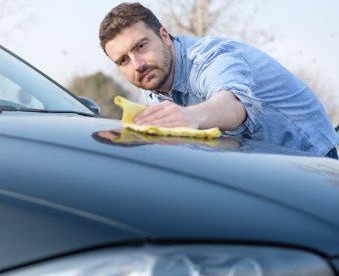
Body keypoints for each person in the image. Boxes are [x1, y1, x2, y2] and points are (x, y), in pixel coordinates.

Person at [99, 2, 339, 159]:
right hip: (256, 162)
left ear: (164, 36)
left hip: (310, 158)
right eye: (123, 61)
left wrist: (191, 116)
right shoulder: (153, 82)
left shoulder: (210, 57)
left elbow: (234, 103)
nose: (137, 64)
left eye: (141, 46)